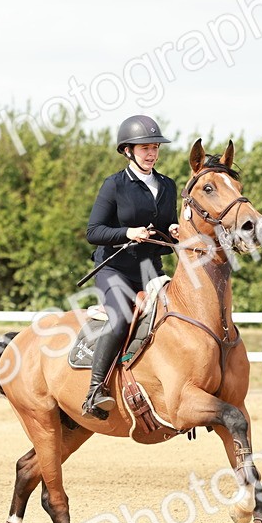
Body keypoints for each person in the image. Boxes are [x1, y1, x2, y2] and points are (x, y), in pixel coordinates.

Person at [82, 114, 181, 419]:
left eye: (154, 147)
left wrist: (175, 229)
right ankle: (95, 391)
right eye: (144, 148)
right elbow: (93, 232)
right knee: (121, 317)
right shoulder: (114, 185)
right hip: (115, 270)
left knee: (177, 317)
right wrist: (128, 232)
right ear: (128, 151)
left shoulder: (167, 184)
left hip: (152, 271)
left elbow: (164, 224)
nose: (151, 153)